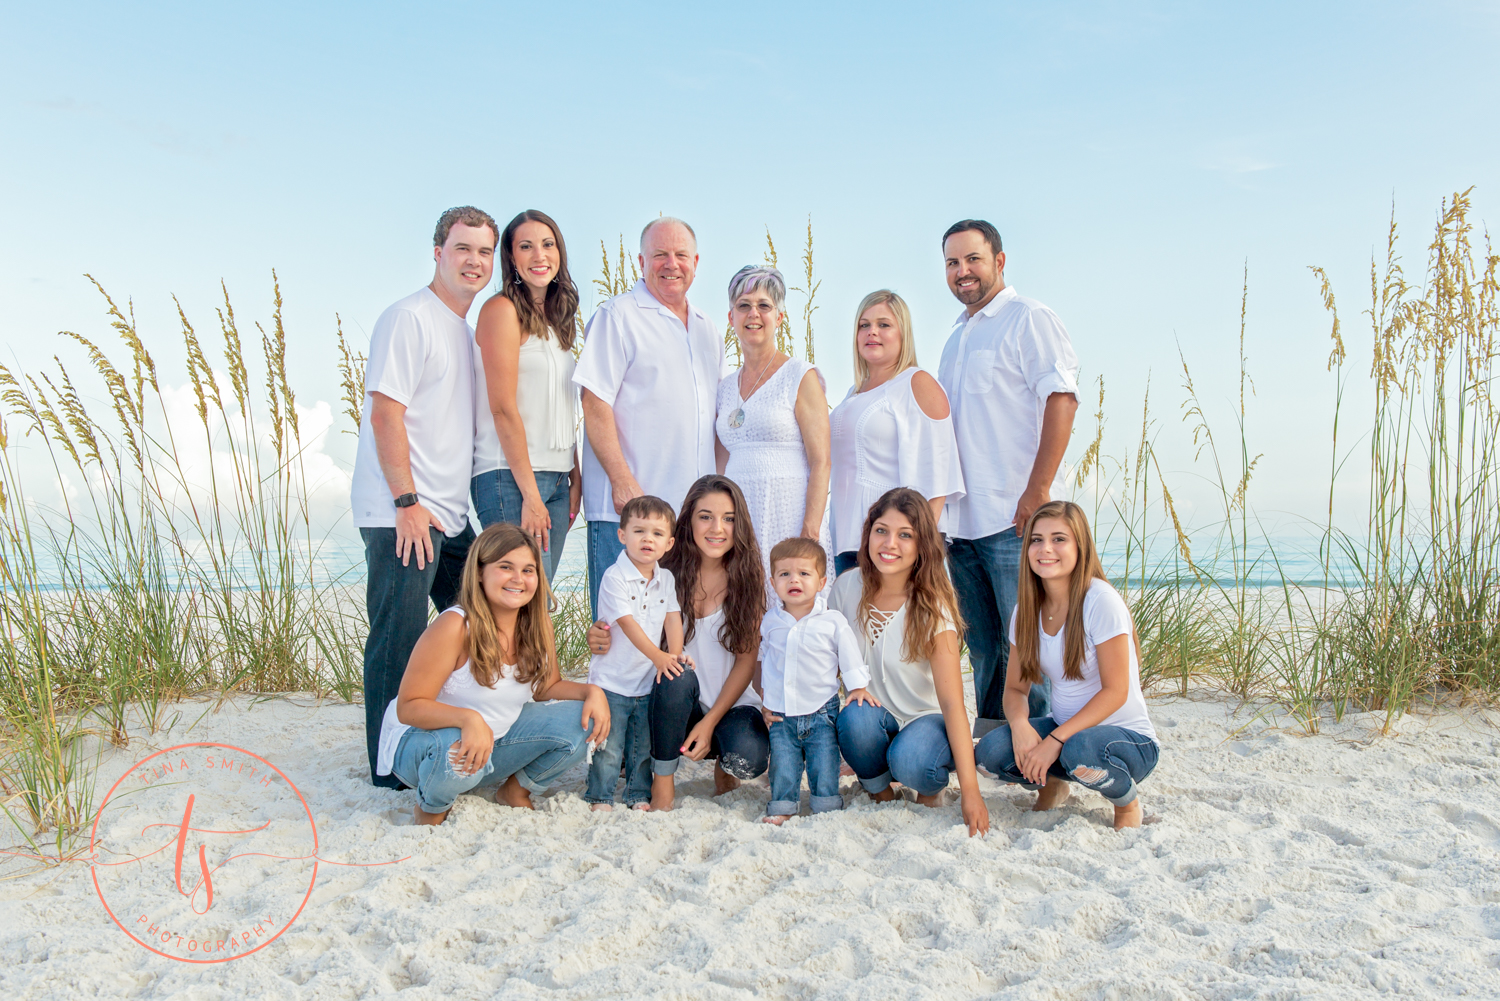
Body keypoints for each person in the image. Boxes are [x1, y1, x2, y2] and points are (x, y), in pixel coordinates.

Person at [352, 205, 497, 788]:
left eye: (485, 251)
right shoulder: (409, 318)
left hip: (448, 514)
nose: (474, 260)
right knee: (398, 638)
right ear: (438, 252)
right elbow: (386, 412)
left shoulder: (462, 332)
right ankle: (387, 768)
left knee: (474, 618)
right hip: (403, 514)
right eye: (463, 248)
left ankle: (446, 728)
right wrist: (406, 502)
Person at [937, 219, 1080, 737]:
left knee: (1031, 644)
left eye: (972, 259)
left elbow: (1061, 399)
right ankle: (998, 749)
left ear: (999, 261)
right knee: (985, 647)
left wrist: (1038, 492)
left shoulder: (1028, 319)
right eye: (952, 263)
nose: (963, 271)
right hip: (962, 524)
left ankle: (1044, 756)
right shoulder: (956, 337)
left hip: (1016, 519)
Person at [375, 523, 610, 824]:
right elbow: (408, 706)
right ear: (480, 572)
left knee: (589, 720)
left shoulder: (539, 624)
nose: (518, 579)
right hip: (426, 744)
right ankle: (430, 810)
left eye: (528, 570)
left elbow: (547, 687)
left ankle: (514, 791)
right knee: (453, 750)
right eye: (505, 567)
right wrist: (467, 719)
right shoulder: (456, 626)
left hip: (493, 743)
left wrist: (593, 692)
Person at [587, 474, 770, 813]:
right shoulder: (662, 572)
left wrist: (710, 721)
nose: (717, 528)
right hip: (671, 703)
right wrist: (597, 634)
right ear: (688, 522)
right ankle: (663, 785)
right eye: (706, 516)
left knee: (749, 759)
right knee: (676, 673)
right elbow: (624, 622)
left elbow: (746, 663)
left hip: (728, 706)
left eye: (728, 519)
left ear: (739, 525)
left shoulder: (747, 579)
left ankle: (719, 762)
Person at [974, 501, 1159, 830]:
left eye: (1059, 539)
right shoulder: (1027, 610)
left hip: (1127, 741)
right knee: (991, 753)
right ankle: (1054, 784)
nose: (1045, 549)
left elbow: (1116, 692)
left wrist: (1053, 742)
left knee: (1080, 750)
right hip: (1065, 732)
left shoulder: (1100, 601)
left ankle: (1127, 802)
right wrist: (1020, 727)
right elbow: (1016, 688)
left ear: (1080, 547)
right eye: (1036, 539)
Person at [574, 217, 725, 618]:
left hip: (689, 520)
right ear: (642, 261)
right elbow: (594, 402)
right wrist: (625, 485)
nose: (670, 264)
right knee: (621, 634)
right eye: (660, 255)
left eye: (680, 255)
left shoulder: (709, 329)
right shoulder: (617, 316)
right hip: (630, 513)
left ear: (696, 261)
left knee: (679, 633)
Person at [833, 487, 991, 838]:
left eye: (906, 535)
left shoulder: (933, 606)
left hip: (925, 723)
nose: (890, 544)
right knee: (854, 717)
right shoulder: (845, 589)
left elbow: (952, 703)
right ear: (868, 533)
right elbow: (827, 670)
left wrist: (971, 792)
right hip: (873, 720)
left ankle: (930, 790)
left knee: (913, 761)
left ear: (922, 546)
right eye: (882, 531)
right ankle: (879, 789)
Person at [470, 209, 582, 582]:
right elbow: (502, 409)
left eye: (548, 245)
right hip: (510, 479)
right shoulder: (500, 311)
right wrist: (531, 496)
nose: (540, 256)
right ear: (512, 258)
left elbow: (563, 405)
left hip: (556, 479)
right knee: (521, 600)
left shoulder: (558, 323)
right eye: (526, 246)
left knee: (536, 603)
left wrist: (575, 475)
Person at [827, 290, 963, 579]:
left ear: (903, 333)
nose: (871, 332)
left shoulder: (916, 383)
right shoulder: (853, 393)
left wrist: (917, 548)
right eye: (864, 325)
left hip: (893, 547)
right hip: (846, 540)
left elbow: (938, 477)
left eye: (883, 324)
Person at [714, 265, 832, 595]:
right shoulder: (724, 388)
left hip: (789, 512)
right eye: (744, 305)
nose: (754, 314)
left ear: (779, 317)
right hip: (740, 516)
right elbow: (720, 468)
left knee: (792, 609)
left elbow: (822, 461)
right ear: (731, 316)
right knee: (744, 611)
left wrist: (808, 531)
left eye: (764, 305)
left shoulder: (800, 375)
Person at [758, 537, 877, 824]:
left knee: (824, 763)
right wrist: (764, 701)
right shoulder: (770, 621)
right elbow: (766, 663)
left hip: (821, 711)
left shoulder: (832, 621)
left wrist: (858, 686)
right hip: (781, 713)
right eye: (785, 574)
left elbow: (848, 654)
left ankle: (825, 805)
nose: (794, 580)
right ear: (773, 583)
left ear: (821, 582)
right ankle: (783, 806)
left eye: (804, 573)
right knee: (784, 764)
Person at [584, 495, 686, 811]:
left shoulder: (666, 579)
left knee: (642, 744)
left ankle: (637, 794)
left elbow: (672, 617)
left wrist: (677, 654)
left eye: (657, 534)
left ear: (669, 543)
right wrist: (659, 656)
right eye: (639, 531)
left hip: (645, 682)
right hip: (612, 680)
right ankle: (600, 795)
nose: (647, 539)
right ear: (622, 535)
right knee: (608, 745)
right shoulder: (615, 577)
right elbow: (627, 624)